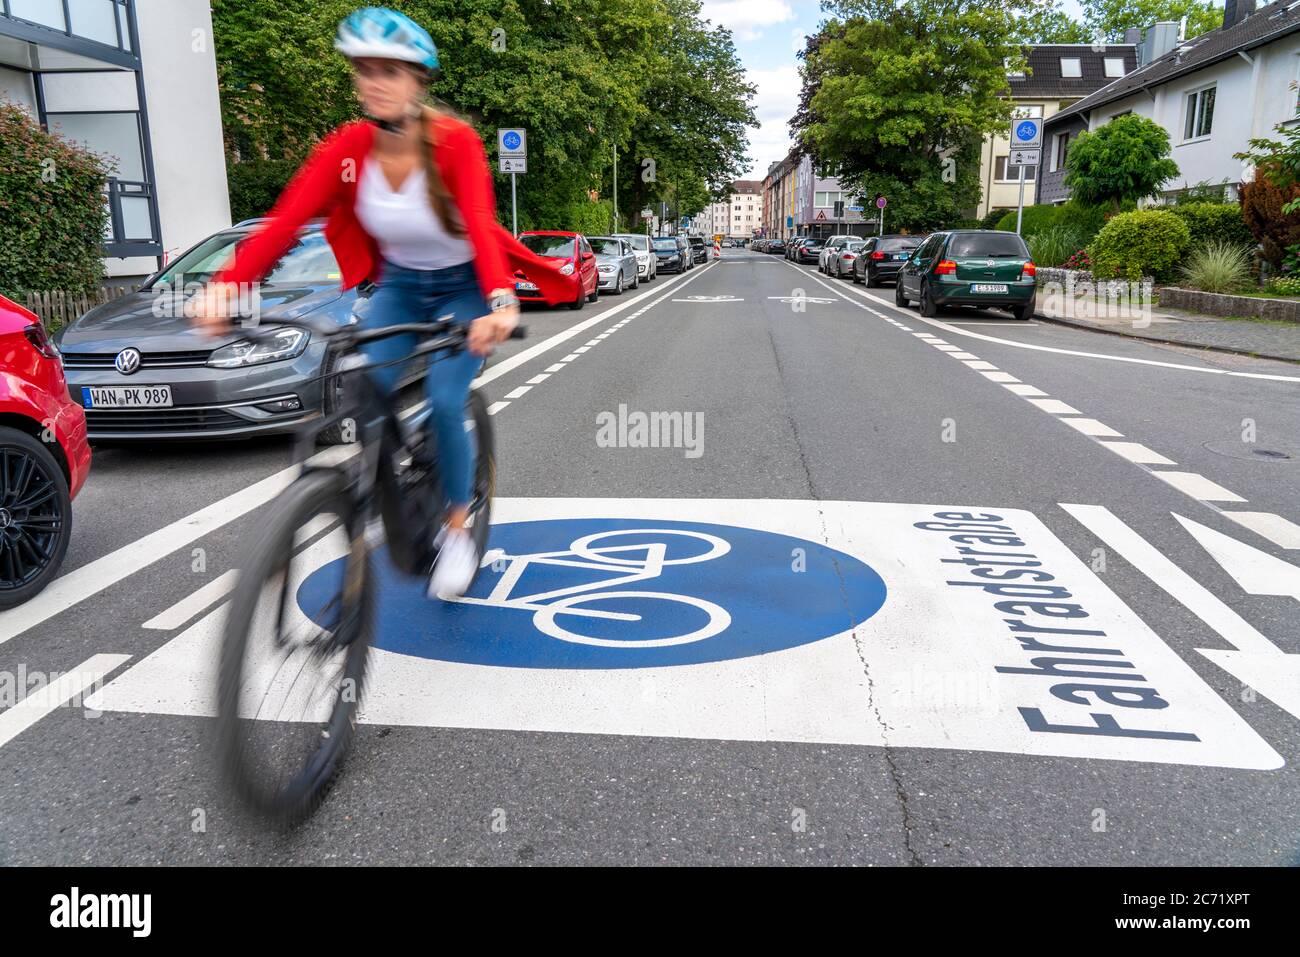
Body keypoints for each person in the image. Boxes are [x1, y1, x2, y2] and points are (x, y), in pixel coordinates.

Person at [192, 7, 575, 599]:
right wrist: (226, 285)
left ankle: (455, 525)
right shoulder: (348, 149)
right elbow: (286, 220)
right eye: (364, 70)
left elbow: (478, 223)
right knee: (366, 385)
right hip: (400, 284)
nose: (373, 81)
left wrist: (500, 302)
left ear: (418, 80)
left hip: (466, 283)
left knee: (448, 401)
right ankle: (362, 494)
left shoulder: (456, 143)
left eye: (389, 71)